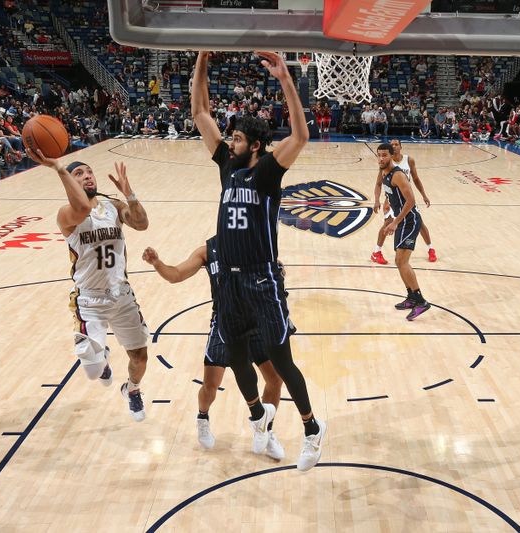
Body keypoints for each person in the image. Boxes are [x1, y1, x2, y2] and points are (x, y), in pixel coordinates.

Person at [191, 50, 326, 471]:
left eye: (237, 140)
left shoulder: (266, 172)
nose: (229, 143)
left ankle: (312, 430)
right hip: (228, 282)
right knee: (233, 356)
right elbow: (199, 111)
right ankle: (258, 419)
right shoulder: (227, 169)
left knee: (280, 359)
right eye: (229, 139)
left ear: (256, 147)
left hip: (261, 278)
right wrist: (201, 59)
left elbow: (301, 135)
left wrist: (286, 79)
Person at [26, 148, 151, 422]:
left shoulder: (113, 207)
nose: (87, 176)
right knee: (94, 372)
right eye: (78, 174)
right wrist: (59, 168)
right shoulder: (66, 215)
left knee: (140, 359)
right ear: (71, 183)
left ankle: (131, 389)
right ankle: (102, 360)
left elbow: (142, 224)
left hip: (121, 296)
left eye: (89, 172)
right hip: (89, 300)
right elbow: (82, 206)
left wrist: (129, 194)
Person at [142, 239, 286, 458]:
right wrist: (157, 263)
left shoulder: (256, 244)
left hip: (256, 321)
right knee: (210, 386)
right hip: (225, 323)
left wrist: (277, 272)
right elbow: (177, 274)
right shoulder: (208, 252)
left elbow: (275, 271)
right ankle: (202, 417)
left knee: (275, 379)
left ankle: (265, 429)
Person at [374, 142, 431, 320]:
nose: (381, 158)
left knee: (402, 261)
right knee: (399, 261)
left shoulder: (398, 174)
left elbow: (411, 201)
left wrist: (395, 222)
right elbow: (386, 191)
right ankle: (411, 297)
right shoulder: (383, 172)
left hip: (409, 221)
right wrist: (382, 201)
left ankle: (421, 301)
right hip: (400, 220)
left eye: (384, 155)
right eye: (379, 155)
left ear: (392, 155)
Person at [371, 139, 436, 265]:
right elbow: (378, 184)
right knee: (387, 224)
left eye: (396, 144)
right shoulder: (384, 164)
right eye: (392, 144)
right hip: (391, 200)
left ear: (401, 147)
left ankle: (431, 249)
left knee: (420, 223)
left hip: (406, 199)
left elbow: (416, 179)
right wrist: (377, 200)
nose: (394, 146)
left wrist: (423, 195)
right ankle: (377, 251)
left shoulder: (408, 160)